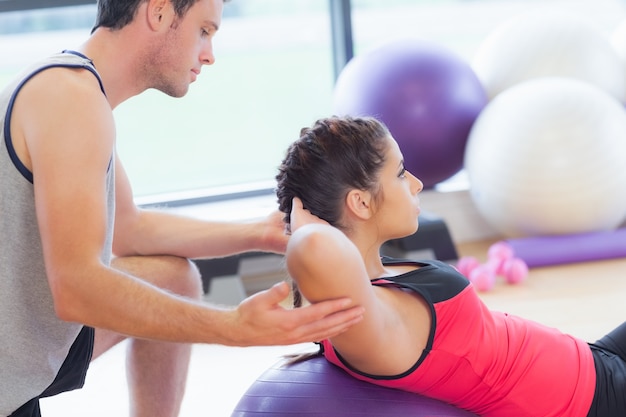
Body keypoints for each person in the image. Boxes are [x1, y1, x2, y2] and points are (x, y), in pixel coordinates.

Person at [0, 1, 365, 416]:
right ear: (158, 13)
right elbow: (77, 289)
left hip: (18, 358)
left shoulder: (76, 91)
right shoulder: (69, 100)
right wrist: (234, 328)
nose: (209, 54)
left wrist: (260, 232)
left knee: (174, 277)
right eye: (204, 31)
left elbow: (131, 231)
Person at [275, 115, 626, 417]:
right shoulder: (369, 321)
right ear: (361, 202)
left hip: (591, 360)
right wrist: (304, 228)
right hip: (596, 403)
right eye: (399, 174)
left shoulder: (376, 283)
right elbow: (315, 249)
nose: (416, 183)